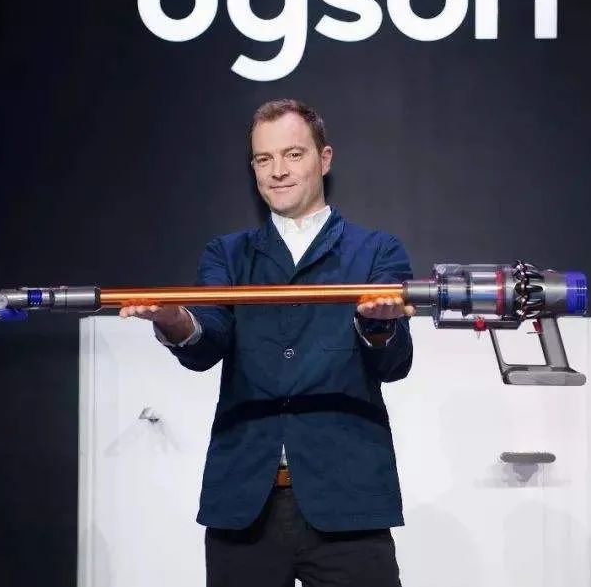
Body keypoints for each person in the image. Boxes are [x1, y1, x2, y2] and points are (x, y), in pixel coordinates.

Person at [120, 99, 415, 587]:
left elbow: (394, 364)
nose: (278, 171)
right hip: (244, 506)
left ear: (324, 159)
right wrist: (173, 320)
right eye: (264, 159)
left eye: (293, 154)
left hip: (349, 503)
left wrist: (379, 326)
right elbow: (206, 342)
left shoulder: (377, 250)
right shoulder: (226, 253)